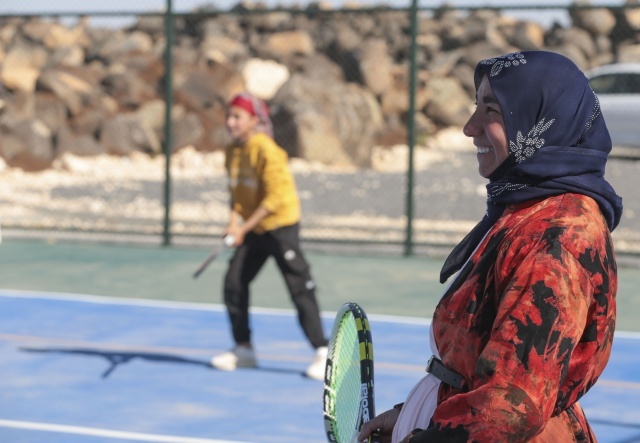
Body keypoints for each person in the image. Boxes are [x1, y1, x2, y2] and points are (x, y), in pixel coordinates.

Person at [358, 50, 623, 442]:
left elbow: (512, 404)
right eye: (475, 107)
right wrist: (410, 416)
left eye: (493, 111)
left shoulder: (557, 236)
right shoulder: (527, 209)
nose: (469, 127)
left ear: (541, 122)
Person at [210, 92, 329, 380]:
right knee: (234, 283)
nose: (230, 122)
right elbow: (236, 193)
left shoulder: (268, 151)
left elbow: (274, 198)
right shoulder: (231, 152)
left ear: (254, 120)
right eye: (229, 116)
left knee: (299, 286)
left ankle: (323, 352)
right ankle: (244, 349)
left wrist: (242, 228)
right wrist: (232, 223)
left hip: (280, 227)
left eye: (237, 117)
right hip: (254, 228)